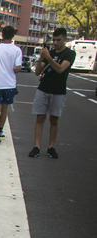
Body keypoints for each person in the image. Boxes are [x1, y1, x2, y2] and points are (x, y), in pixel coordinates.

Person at [29, 28, 76, 159]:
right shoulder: (50, 53)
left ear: (65, 39)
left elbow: (61, 69)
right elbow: (38, 72)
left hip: (58, 91)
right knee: (40, 118)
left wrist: (48, 57)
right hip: (43, 89)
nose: (55, 43)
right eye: (54, 40)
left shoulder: (69, 54)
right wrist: (41, 59)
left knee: (54, 119)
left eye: (58, 40)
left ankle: (51, 147)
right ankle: (36, 146)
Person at [0, 26, 22, 143]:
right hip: (9, 84)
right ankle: (0, 131)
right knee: (5, 108)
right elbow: (17, 68)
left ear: (2, 35)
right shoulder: (17, 50)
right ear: (13, 36)